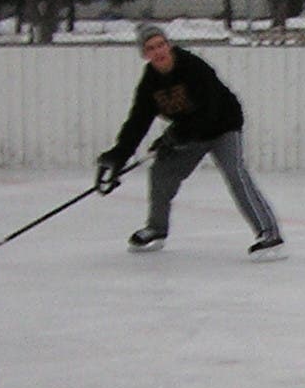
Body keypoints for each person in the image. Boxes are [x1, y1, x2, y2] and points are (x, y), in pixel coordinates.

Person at [95, 24, 283, 258]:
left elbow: (209, 109)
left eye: (161, 44)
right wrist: (117, 157)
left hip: (223, 127)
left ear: (169, 45)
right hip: (189, 133)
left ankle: (269, 233)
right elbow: (137, 122)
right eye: (151, 48)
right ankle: (156, 229)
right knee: (161, 172)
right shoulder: (150, 83)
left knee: (236, 174)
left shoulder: (192, 66)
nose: (158, 51)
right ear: (145, 54)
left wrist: (174, 137)